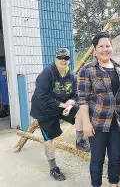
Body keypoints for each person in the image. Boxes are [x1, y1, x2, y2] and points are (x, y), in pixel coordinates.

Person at [30, 48, 89, 181]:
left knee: (81, 110)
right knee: (50, 139)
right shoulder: (47, 74)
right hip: (44, 110)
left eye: (66, 58)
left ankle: (79, 140)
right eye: (60, 57)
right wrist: (65, 105)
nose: (63, 60)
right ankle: (53, 168)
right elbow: (41, 97)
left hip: (62, 106)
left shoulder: (72, 76)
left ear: (69, 60)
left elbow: (75, 95)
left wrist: (71, 103)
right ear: (55, 59)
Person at [78, 32, 120, 187]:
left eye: (108, 45)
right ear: (95, 50)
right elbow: (83, 99)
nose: (105, 49)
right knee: (97, 159)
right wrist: (86, 123)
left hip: (117, 122)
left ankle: (114, 184)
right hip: (97, 123)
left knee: (115, 157)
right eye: (101, 46)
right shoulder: (88, 70)